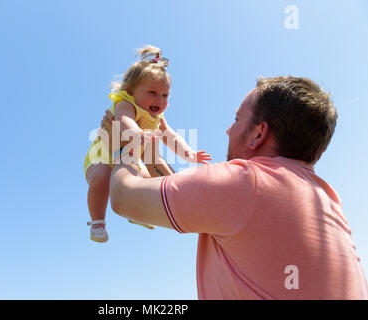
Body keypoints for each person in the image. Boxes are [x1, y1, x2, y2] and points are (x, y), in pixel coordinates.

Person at [105, 76, 368, 299]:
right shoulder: (327, 199)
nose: (228, 130)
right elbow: (183, 196)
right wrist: (149, 152)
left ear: (258, 134)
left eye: (237, 119)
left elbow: (123, 197)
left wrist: (123, 143)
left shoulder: (245, 183)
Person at [83, 45, 211, 243]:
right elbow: (125, 120)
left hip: (129, 159)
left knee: (144, 184)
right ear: (130, 91)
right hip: (101, 157)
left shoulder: (157, 118)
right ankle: (97, 222)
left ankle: (138, 214)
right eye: (152, 92)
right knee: (100, 178)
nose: (159, 100)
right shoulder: (126, 103)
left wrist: (188, 154)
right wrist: (137, 133)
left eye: (165, 95)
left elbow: (170, 135)